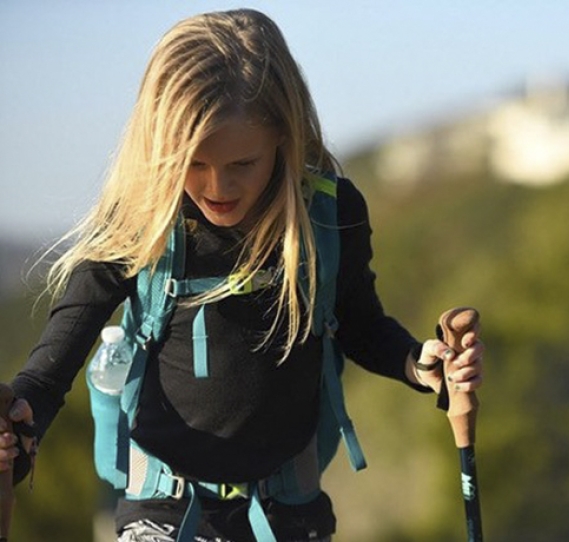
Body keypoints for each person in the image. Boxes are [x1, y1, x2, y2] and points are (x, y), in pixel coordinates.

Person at [0, 8, 483, 542]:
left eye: (242, 164)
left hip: (290, 512)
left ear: (283, 134)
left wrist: (419, 364)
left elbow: (360, 325)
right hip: (162, 511)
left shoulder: (328, 213)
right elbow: (52, 367)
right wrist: (16, 425)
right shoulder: (140, 219)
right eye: (193, 164)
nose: (217, 188)